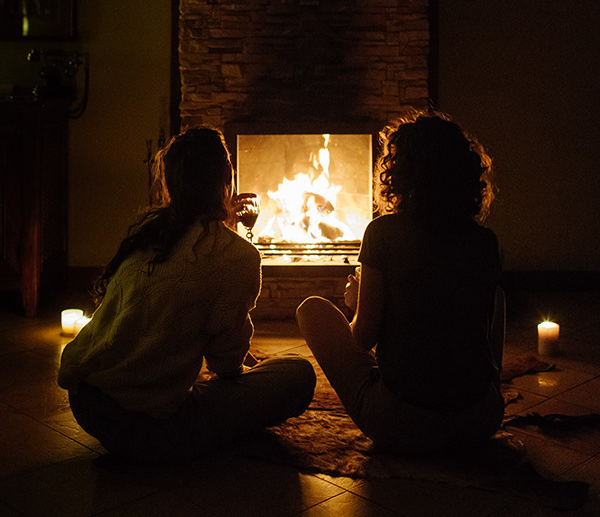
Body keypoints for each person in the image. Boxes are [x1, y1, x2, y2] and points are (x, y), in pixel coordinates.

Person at [59, 127, 315, 464]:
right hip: (151, 427)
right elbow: (226, 366)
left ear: (171, 182)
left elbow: (191, 274)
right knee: (297, 374)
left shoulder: (153, 235)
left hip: (87, 404)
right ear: (228, 174)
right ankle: (164, 452)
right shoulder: (237, 256)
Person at [296, 110, 506, 456]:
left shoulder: (383, 233)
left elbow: (363, 339)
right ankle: (480, 388)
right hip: (479, 421)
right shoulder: (486, 242)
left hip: (402, 423)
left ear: (400, 175)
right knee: (496, 298)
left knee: (311, 311)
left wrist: (355, 301)